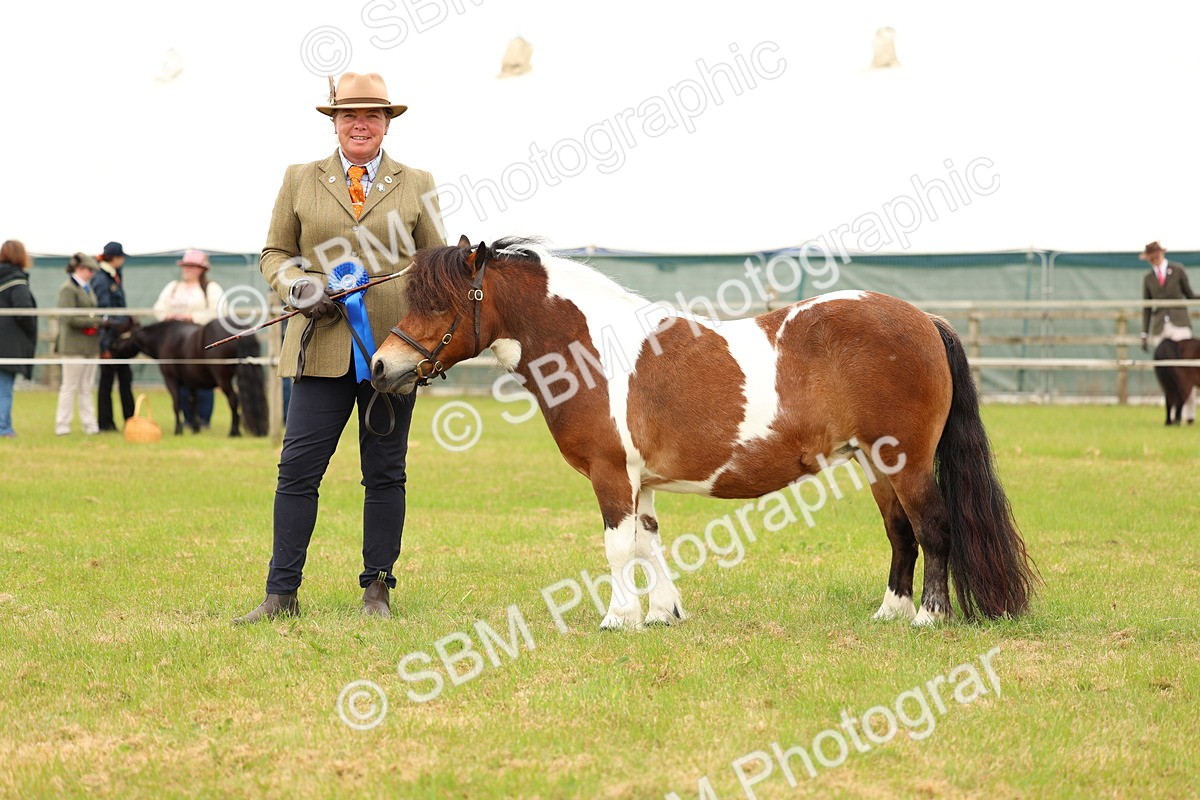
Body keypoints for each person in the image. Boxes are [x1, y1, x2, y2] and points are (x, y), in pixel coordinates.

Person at [234, 71, 445, 624]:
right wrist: (300, 287)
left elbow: (437, 268)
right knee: (298, 470)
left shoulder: (417, 181)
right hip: (319, 348)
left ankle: (377, 588)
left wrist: (426, 348)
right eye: (349, 114)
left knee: (385, 473)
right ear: (333, 120)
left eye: (371, 115)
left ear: (386, 123)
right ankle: (281, 593)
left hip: (393, 357)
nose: (360, 123)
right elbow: (274, 252)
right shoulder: (300, 178)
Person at [153, 249, 225, 429]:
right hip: (175, 343)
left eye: (193, 266)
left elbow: (218, 312)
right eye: (186, 266)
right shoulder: (173, 287)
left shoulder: (211, 288)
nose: (188, 269)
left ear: (202, 269)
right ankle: (187, 418)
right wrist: (168, 316)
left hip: (199, 341)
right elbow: (159, 308)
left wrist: (192, 317)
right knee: (179, 380)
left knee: (202, 379)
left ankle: (204, 419)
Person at [1140, 241, 1197, 422]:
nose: (1155, 260)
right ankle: (1171, 412)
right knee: (1167, 371)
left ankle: (1190, 413)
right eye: (1151, 258)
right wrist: (1145, 333)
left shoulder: (1177, 270)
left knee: (1188, 370)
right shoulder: (1148, 278)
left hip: (1179, 324)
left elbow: (1189, 294)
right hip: (1160, 327)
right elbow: (1147, 307)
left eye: (1156, 257)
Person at [56, 253, 105, 436]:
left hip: (90, 345)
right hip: (73, 346)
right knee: (69, 386)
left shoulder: (87, 288)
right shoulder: (68, 289)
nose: (91, 274)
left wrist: (96, 322)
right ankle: (62, 425)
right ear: (79, 269)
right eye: (88, 270)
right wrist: (96, 322)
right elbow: (69, 318)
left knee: (87, 386)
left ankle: (90, 424)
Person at [93, 241, 135, 432]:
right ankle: (106, 423)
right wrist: (105, 347)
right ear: (116, 258)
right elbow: (104, 313)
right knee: (107, 382)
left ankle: (130, 420)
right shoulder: (102, 279)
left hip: (119, 338)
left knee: (125, 379)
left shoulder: (115, 276)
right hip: (110, 339)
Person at [0, 240, 37, 438]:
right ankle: (4, 429)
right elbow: (23, 312)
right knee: (4, 389)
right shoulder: (16, 281)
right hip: (7, 345)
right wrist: (31, 330)